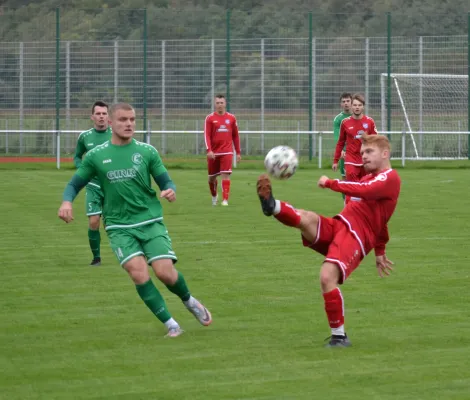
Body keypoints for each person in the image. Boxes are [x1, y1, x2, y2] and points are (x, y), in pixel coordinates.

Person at [59, 102, 212, 338]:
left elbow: (166, 181)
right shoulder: (96, 157)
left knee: (165, 273)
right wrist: (67, 202)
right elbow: (74, 184)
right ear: (110, 123)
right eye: (123, 120)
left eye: (132, 119)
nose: (129, 124)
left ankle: (189, 300)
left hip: (149, 221)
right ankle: (171, 324)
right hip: (119, 226)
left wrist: (169, 190)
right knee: (138, 273)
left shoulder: (146, 151)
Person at [256, 134, 401, 347]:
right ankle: (272, 206)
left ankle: (339, 337)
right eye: (362, 153)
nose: (364, 157)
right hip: (342, 225)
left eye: (369, 152)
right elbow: (382, 221)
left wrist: (331, 183)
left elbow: (365, 192)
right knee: (306, 218)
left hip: (355, 236)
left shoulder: (390, 177)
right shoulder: (369, 177)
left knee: (326, 277)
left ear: (385, 153)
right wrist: (380, 252)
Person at [73, 101, 112, 266]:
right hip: (93, 186)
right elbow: (77, 156)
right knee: (94, 221)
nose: (101, 117)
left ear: (109, 117)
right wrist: (83, 170)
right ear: (92, 117)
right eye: (98, 114)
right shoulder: (85, 136)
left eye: (104, 114)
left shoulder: (116, 134)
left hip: (113, 185)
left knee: (116, 224)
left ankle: (132, 254)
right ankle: (96, 258)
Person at [204, 94, 241, 206]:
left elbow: (235, 136)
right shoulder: (210, 118)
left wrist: (238, 152)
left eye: (222, 103)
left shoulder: (231, 118)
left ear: (225, 104)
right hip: (214, 153)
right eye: (217, 103)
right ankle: (214, 196)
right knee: (211, 178)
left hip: (227, 151)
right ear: (215, 104)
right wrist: (209, 150)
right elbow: (207, 135)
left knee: (226, 174)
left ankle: (225, 200)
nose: (220, 105)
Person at [332, 93, 378, 184]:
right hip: (350, 160)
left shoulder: (370, 122)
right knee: (351, 186)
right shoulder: (345, 122)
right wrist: (335, 160)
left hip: (366, 160)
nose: (357, 107)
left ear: (363, 107)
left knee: (365, 188)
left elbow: (376, 141)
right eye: (355, 105)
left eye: (360, 105)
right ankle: (347, 199)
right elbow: (340, 142)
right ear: (351, 107)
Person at [332, 92, 352, 199]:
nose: (346, 103)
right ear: (341, 104)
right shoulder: (338, 119)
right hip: (345, 153)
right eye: (343, 101)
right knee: (345, 179)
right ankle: (346, 204)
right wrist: (341, 151)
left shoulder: (357, 116)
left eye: (348, 101)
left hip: (358, 153)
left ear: (351, 102)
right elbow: (337, 137)